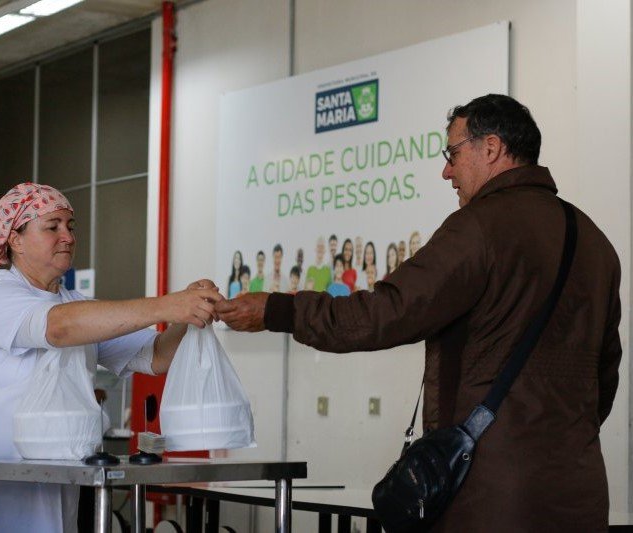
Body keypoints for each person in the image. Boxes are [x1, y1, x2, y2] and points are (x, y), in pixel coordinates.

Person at [215, 94, 621, 532]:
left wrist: (279, 309)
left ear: (491, 148)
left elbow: (385, 313)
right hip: (580, 496)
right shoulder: (595, 243)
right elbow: (604, 376)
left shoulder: (479, 226)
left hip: (489, 500)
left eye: (453, 153)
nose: (446, 170)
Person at [0, 183, 222, 533]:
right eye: (52, 227)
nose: (68, 236)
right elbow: (58, 328)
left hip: (59, 482)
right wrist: (169, 303)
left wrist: (191, 312)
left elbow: (155, 356)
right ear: (14, 239)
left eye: (70, 226)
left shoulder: (74, 303)